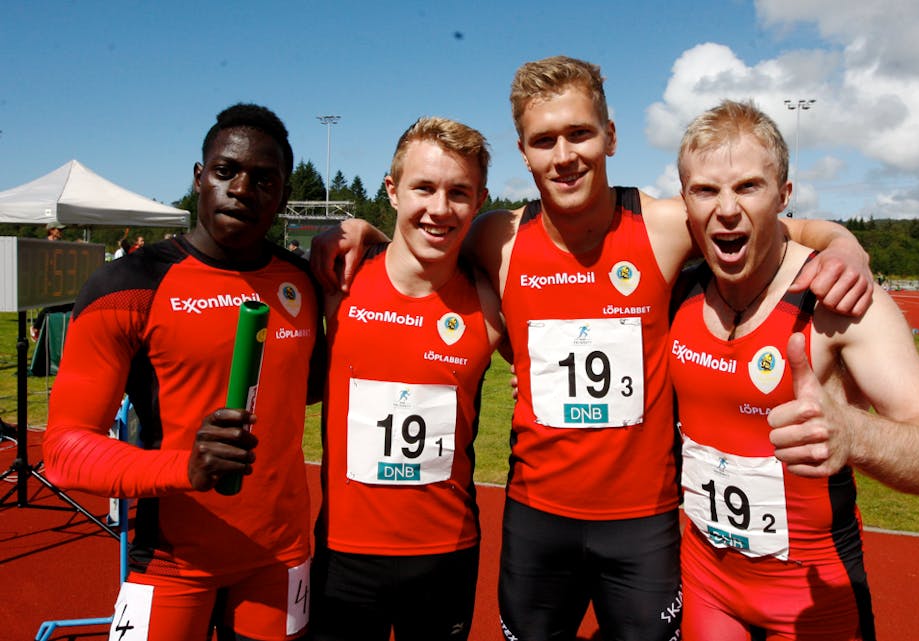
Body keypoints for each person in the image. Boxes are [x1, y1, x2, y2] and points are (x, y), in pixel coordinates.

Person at [312, 56, 873, 641]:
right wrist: (362, 230)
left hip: (642, 526)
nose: (564, 155)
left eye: (579, 133)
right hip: (536, 521)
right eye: (544, 140)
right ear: (524, 152)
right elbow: (425, 229)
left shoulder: (662, 225)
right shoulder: (496, 238)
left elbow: (772, 224)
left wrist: (844, 242)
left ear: (609, 136)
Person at [670, 100, 919, 640]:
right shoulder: (677, 292)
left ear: (783, 197)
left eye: (748, 187)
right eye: (706, 190)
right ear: (685, 201)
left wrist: (854, 432)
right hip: (705, 587)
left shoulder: (841, 300)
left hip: (811, 599)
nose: (727, 209)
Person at [43, 103, 325, 641]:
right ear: (199, 178)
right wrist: (184, 467)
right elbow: (62, 450)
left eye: (264, 180)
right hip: (170, 564)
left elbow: (306, 390)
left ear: (283, 196)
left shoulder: (303, 282)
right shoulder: (126, 286)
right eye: (226, 172)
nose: (242, 189)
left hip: (279, 556)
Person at [310, 117, 504, 641]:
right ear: (393, 191)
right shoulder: (336, 283)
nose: (440, 209)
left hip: (446, 557)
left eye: (459, 193)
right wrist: (354, 229)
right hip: (343, 557)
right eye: (424, 187)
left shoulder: (490, 303)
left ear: (480, 199)